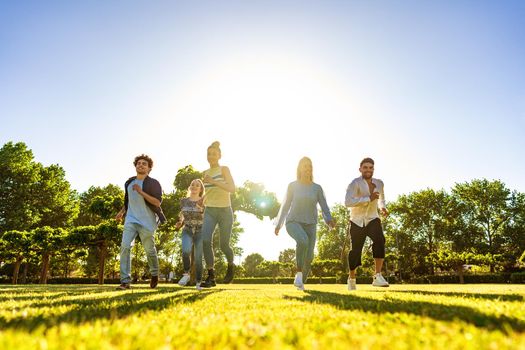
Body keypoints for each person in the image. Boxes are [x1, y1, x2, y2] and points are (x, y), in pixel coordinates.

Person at [274, 157, 336, 291]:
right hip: (293, 221)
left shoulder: (317, 188)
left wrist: (329, 220)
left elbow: (324, 207)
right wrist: (279, 224)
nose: (307, 168)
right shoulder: (293, 186)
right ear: (299, 168)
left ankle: (301, 281)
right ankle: (299, 273)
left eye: (309, 166)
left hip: (311, 224)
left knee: (309, 257)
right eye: (304, 166)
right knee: (303, 241)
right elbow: (285, 206)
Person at [115, 154, 166, 290]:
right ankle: (125, 282)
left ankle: (154, 273)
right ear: (135, 166)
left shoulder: (153, 183)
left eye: (144, 163)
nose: (141, 165)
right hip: (131, 220)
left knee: (149, 250)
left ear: (149, 168)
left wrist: (141, 191)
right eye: (138, 163)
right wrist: (121, 212)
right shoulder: (129, 182)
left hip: (147, 221)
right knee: (125, 246)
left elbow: (157, 202)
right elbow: (129, 201)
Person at [345, 157, 389, 291]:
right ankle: (352, 277)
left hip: (372, 218)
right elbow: (348, 202)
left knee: (380, 239)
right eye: (365, 167)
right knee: (355, 251)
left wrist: (382, 207)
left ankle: (377, 275)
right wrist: (367, 199)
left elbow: (381, 199)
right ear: (360, 169)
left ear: (373, 169)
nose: (368, 170)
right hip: (357, 220)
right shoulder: (354, 183)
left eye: (371, 168)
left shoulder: (379, 183)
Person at [200, 141, 236, 288]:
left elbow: (232, 188)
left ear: (219, 155)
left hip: (225, 211)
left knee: (224, 245)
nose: (211, 156)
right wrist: (201, 201)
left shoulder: (224, 169)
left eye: (214, 154)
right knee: (205, 240)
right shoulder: (204, 173)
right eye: (209, 154)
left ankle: (231, 265)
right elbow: (209, 192)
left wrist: (213, 181)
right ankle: (211, 275)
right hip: (210, 210)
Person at [175, 179, 205, 291]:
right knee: (185, 250)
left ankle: (198, 283)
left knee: (198, 258)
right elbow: (182, 215)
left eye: (197, 185)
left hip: (200, 231)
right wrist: (180, 222)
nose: (194, 187)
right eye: (192, 185)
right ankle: (186, 274)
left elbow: (207, 217)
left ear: (201, 189)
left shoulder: (204, 201)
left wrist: (201, 209)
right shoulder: (183, 201)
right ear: (190, 187)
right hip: (187, 229)